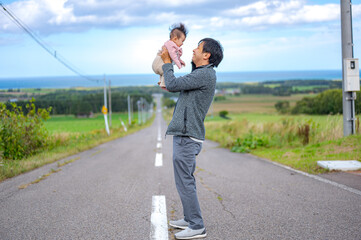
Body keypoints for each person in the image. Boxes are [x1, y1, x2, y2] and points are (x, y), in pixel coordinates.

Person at [160, 38, 223, 239]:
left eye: (198, 47)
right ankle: (189, 219)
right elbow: (176, 84)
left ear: (207, 55)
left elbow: (172, 84)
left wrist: (166, 62)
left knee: (185, 181)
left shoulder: (205, 74)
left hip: (188, 136)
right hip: (185, 134)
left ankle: (197, 226)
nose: (193, 49)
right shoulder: (200, 74)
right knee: (185, 180)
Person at [152, 23, 188, 90]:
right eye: (182, 41)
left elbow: (176, 57)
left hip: (158, 64)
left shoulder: (171, 45)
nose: (182, 43)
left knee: (166, 69)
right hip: (159, 62)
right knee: (168, 69)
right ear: (175, 39)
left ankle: (161, 82)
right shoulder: (171, 45)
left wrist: (180, 61)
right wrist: (178, 65)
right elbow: (173, 56)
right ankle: (164, 85)